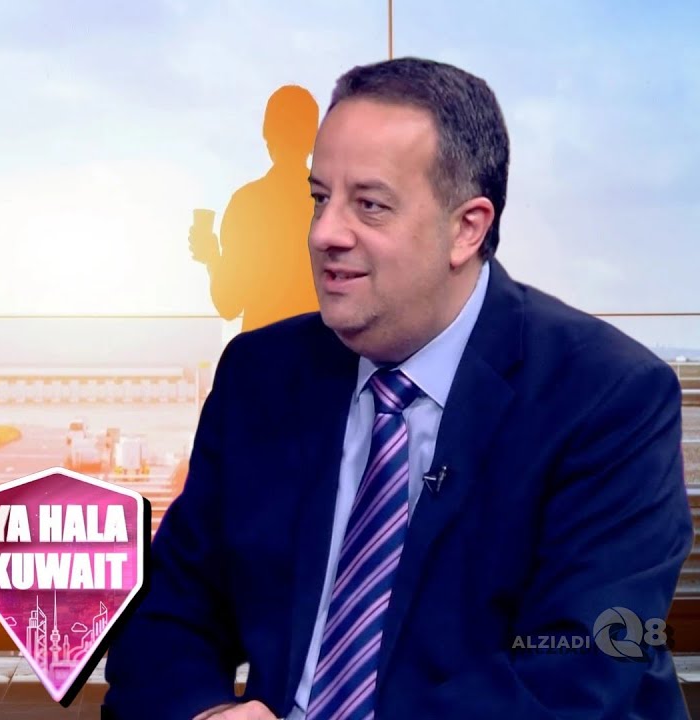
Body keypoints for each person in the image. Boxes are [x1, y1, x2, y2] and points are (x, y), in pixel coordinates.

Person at [104, 56, 692, 719]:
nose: (324, 233)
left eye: (370, 205)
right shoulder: (258, 375)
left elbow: (578, 676)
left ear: (466, 228)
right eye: (320, 198)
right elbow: (165, 617)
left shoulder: (608, 398)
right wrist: (205, 713)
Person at [190, 85, 321, 333]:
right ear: (314, 139)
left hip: (262, 353)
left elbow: (228, 304)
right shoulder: (332, 205)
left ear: (266, 134)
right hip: (320, 353)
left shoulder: (247, 203)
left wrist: (211, 257)